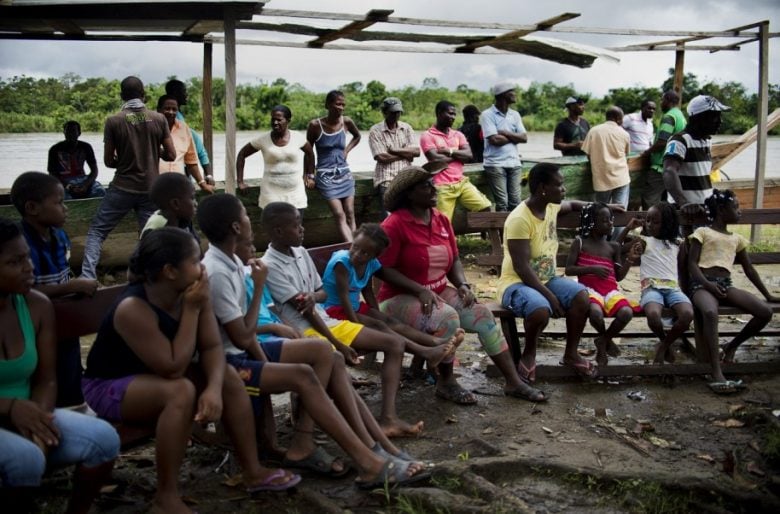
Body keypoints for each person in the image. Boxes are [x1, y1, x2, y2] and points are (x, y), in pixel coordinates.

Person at [197, 195, 428, 488]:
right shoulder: (217, 271)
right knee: (306, 373)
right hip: (231, 367)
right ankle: (366, 460)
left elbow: (248, 329)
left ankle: (378, 447)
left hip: (247, 352)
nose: (249, 221)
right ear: (235, 226)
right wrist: (257, 290)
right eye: (245, 215)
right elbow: (242, 335)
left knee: (325, 353)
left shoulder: (231, 263)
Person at [234, 235, 428, 476]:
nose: (254, 247)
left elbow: (277, 311)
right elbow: (238, 331)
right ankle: (358, 451)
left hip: (280, 337)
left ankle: (377, 446)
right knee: (325, 352)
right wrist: (276, 327)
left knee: (333, 357)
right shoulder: (231, 274)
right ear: (233, 234)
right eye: (247, 239)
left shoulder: (249, 271)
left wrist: (283, 324)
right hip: (250, 351)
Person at [378, 166, 546, 403]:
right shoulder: (395, 224)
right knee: (447, 318)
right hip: (397, 299)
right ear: (409, 194)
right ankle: (446, 382)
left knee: (483, 315)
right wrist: (418, 290)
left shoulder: (440, 219)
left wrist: (463, 284)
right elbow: (383, 268)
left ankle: (513, 382)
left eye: (432, 183)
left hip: (436, 291)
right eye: (425, 185)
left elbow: (454, 258)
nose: (433, 188)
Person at [259, 202, 427, 437]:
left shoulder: (300, 252)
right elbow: (307, 313)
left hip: (326, 322)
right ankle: (327, 426)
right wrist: (338, 344)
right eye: (297, 225)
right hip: (306, 332)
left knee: (395, 343)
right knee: (338, 356)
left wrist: (312, 296)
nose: (302, 229)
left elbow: (322, 293)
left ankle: (388, 419)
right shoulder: (271, 265)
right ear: (278, 231)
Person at [0, 218, 119, 514]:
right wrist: (11, 408)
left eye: (27, 256)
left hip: (29, 410)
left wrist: (39, 419)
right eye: (15, 262)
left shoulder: (36, 306)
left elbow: (46, 380)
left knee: (103, 438)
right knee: (26, 459)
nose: (29, 267)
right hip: (10, 411)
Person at [499, 163, 615, 380]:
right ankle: (529, 353)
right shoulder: (519, 219)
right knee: (541, 309)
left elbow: (572, 204)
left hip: (547, 278)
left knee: (581, 296)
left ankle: (571, 354)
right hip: (516, 283)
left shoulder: (551, 206)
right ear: (543, 187)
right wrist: (551, 298)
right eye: (559, 185)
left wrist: (601, 208)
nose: (564, 190)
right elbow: (521, 268)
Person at [10, 171, 98, 407]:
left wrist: (71, 287)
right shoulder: (21, 245)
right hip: (34, 324)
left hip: (63, 319)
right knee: (45, 372)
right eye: (59, 203)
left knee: (69, 371)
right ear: (32, 207)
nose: (65, 208)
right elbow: (28, 291)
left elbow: (62, 275)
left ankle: (71, 407)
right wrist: (73, 285)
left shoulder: (59, 236)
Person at [321, 222, 462, 366]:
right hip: (335, 310)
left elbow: (367, 289)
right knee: (379, 326)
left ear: (374, 256)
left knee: (389, 322)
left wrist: (376, 312)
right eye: (355, 247)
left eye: (364, 253)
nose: (357, 254)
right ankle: (426, 351)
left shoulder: (370, 263)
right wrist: (358, 324)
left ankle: (434, 342)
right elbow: (344, 297)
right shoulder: (342, 263)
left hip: (353, 307)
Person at [80, 76, 176, 279]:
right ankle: (147, 277)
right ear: (144, 95)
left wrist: (126, 158)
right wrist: (150, 151)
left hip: (122, 187)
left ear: (122, 95)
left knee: (97, 232)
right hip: (150, 188)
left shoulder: (114, 121)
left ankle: (87, 277)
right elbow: (171, 155)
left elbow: (108, 161)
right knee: (148, 235)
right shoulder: (158, 119)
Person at [688, 190, 780, 394]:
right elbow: (692, 264)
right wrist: (706, 284)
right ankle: (716, 370)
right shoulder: (702, 232)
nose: (740, 212)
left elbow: (749, 270)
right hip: (702, 285)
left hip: (725, 285)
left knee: (765, 312)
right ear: (721, 210)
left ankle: (731, 346)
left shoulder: (737, 239)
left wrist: (768, 296)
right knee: (710, 313)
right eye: (736, 208)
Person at [564, 203, 641, 366]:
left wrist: (630, 260)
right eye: (605, 220)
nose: (610, 223)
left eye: (611, 220)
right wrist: (591, 269)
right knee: (595, 314)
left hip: (610, 291)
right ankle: (606, 340)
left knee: (626, 312)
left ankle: (604, 340)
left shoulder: (613, 247)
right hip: (589, 291)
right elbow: (569, 269)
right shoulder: (579, 243)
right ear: (592, 223)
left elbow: (619, 277)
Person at [623, 202, 693, 364]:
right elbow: (617, 247)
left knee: (687, 314)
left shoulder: (677, 243)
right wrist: (628, 228)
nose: (649, 224)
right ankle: (665, 343)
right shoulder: (644, 240)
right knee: (653, 315)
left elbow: (683, 271)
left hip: (673, 289)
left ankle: (663, 346)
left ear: (667, 223)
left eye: (655, 221)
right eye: (648, 220)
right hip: (651, 288)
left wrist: (685, 292)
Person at [420, 100, 492, 220]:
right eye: (450, 113)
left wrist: (450, 151)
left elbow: (469, 155)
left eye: (454, 114)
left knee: (485, 207)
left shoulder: (458, 134)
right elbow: (436, 160)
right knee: (442, 222)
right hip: (442, 186)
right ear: (439, 113)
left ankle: (488, 236)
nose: (453, 117)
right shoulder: (427, 136)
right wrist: (458, 155)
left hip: (462, 182)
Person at [306, 90, 361, 242]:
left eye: (343, 104)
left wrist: (347, 150)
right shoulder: (315, 125)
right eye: (338, 104)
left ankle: (357, 247)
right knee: (339, 214)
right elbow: (308, 152)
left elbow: (357, 136)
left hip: (344, 173)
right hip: (325, 175)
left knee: (350, 212)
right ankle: (352, 249)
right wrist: (309, 175)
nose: (341, 107)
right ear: (328, 105)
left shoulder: (347, 122)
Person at [664, 95, 731, 218]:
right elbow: (669, 171)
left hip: (704, 209)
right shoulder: (680, 140)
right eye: (715, 116)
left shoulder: (706, 141)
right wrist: (684, 203)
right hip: (686, 211)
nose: (720, 121)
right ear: (699, 118)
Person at [236, 105, 310, 215]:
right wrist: (240, 182)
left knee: (295, 228)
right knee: (273, 228)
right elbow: (241, 155)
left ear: (288, 121)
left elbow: (310, 154)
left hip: (295, 194)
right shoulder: (262, 139)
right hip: (270, 194)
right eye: (273, 119)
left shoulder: (298, 137)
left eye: (279, 120)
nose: (275, 122)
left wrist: (308, 175)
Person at [368, 97, 419, 219]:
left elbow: (416, 152)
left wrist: (395, 150)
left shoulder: (406, 128)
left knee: (408, 216)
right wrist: (406, 153)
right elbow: (382, 157)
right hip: (386, 179)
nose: (396, 115)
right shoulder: (375, 131)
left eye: (398, 112)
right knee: (389, 218)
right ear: (384, 112)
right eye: (392, 112)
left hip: (406, 178)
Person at [481, 82, 528, 213]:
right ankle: (503, 233)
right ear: (503, 95)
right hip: (495, 164)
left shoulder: (515, 115)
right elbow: (494, 140)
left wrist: (505, 133)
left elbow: (524, 138)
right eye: (512, 91)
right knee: (502, 203)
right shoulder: (487, 115)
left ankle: (513, 233)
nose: (515, 94)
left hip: (514, 163)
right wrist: (514, 137)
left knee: (515, 202)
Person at [156, 95, 214, 193]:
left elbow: (191, 161)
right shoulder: (150, 128)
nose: (171, 112)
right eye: (167, 109)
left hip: (178, 187)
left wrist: (203, 184)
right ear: (158, 109)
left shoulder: (184, 128)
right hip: (156, 187)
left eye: (174, 109)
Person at [581, 106, 631, 211]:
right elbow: (626, 155)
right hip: (621, 177)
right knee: (620, 210)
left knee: (601, 211)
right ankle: (620, 228)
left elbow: (588, 154)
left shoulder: (593, 131)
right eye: (621, 119)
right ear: (617, 118)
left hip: (601, 178)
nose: (622, 121)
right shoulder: (625, 134)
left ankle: (603, 227)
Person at [643, 91, 686, 209]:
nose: (661, 103)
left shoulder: (669, 117)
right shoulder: (680, 115)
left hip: (660, 167)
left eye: (662, 100)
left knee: (650, 200)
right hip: (674, 166)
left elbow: (662, 142)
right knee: (664, 202)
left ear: (668, 101)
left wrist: (647, 152)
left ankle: (649, 226)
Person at [165, 79, 213, 184]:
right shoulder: (175, 119)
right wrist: (207, 175)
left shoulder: (179, 119)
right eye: (184, 91)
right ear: (175, 93)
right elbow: (198, 148)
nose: (186, 94)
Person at [47, 120, 105, 200]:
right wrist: (68, 186)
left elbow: (94, 170)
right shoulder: (55, 149)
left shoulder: (86, 147)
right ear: (64, 132)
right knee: (64, 198)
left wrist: (85, 185)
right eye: (68, 131)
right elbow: (52, 174)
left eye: (73, 131)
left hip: (83, 179)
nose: (70, 134)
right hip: (63, 181)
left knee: (99, 191)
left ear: (79, 133)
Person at [140, 172, 199, 241]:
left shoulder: (183, 218)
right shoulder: (156, 231)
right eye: (192, 198)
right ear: (175, 204)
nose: (196, 204)